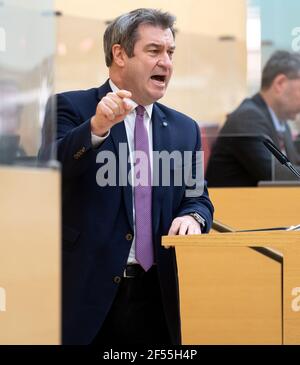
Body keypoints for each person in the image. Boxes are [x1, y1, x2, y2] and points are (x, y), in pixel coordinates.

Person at [39, 8, 214, 345]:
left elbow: (198, 197)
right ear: (119, 53)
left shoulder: (184, 128)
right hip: (87, 296)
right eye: (154, 51)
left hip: (157, 294)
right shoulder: (70, 108)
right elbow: (50, 172)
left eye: (170, 52)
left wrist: (194, 215)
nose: (166, 62)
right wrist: (95, 129)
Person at [206, 50, 300, 187]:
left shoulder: (281, 123)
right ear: (280, 83)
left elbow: (293, 167)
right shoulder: (247, 118)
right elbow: (275, 174)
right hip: (232, 206)